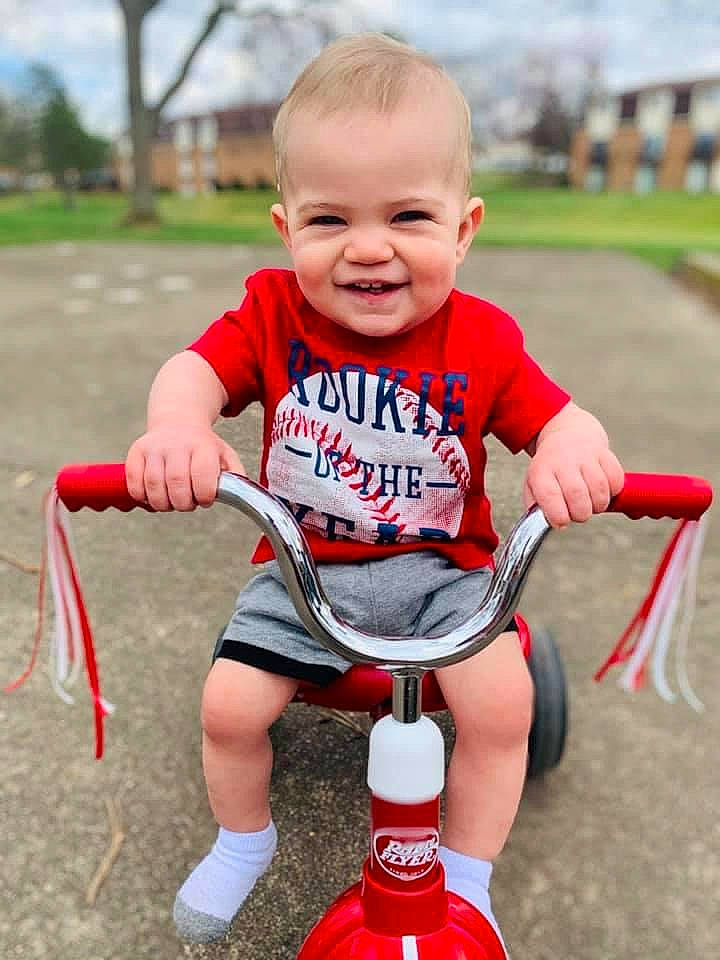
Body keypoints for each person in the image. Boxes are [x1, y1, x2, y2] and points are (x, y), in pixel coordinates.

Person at [126, 33, 624, 951]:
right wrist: (179, 429)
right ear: (286, 229)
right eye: (328, 221)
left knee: (501, 705)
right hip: (305, 574)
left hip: (446, 575)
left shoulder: (484, 342)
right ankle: (244, 838)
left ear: (463, 228)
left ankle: (467, 879)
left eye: (407, 217)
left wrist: (573, 452)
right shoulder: (272, 314)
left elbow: (564, 421)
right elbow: (192, 372)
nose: (368, 249)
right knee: (228, 710)